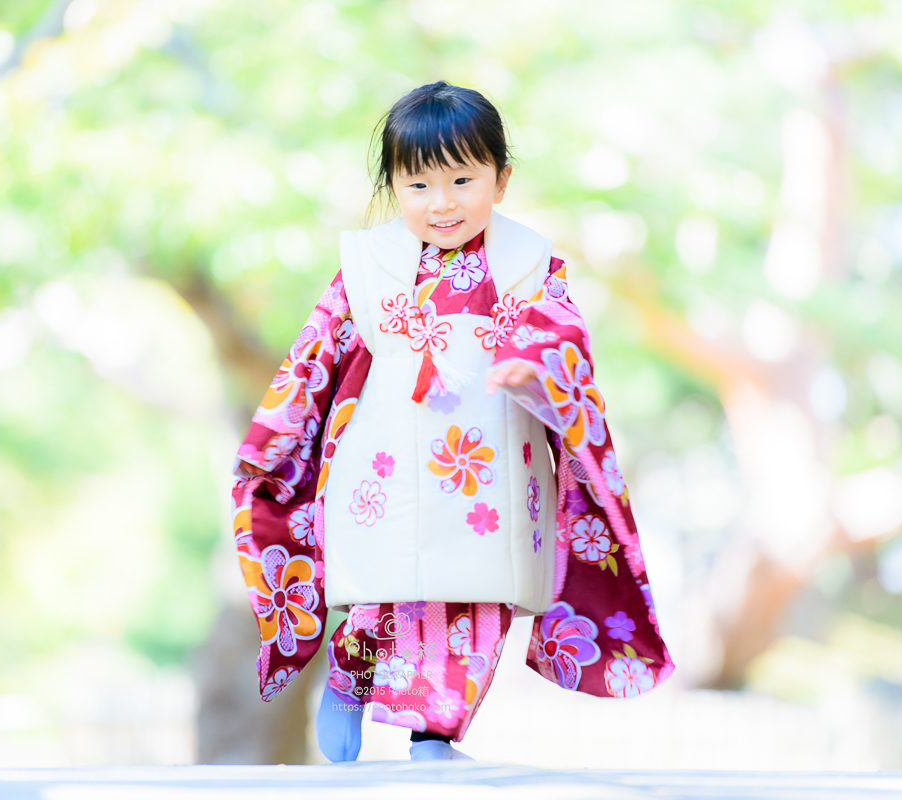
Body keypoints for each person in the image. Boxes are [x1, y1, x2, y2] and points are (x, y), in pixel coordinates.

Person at [231, 81, 672, 763]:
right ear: (393, 186)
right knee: (387, 590)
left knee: (478, 601)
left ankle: (433, 735)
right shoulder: (367, 268)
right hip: (386, 458)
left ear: (501, 179)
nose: (442, 202)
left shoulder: (529, 265)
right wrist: (275, 435)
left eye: (463, 179)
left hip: (493, 463)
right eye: (419, 184)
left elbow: (561, 334)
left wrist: (534, 363)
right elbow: (316, 353)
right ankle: (350, 677)